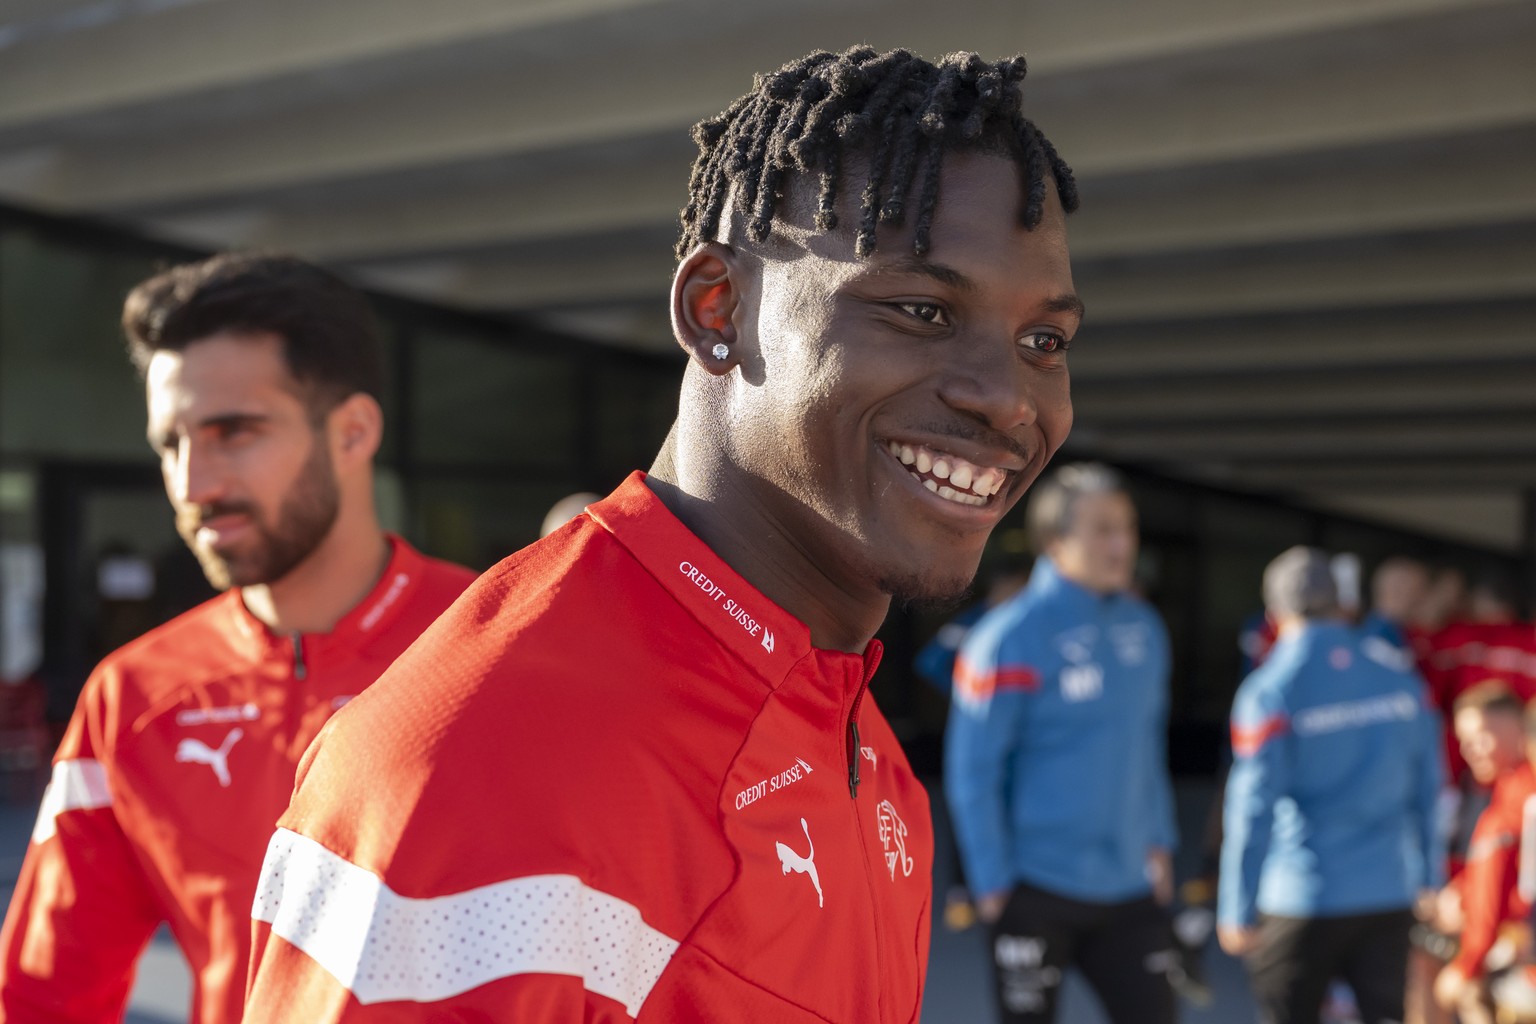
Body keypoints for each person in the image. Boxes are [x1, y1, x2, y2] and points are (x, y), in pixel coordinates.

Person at [244, 46, 1083, 1022]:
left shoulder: (865, 747)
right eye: (922, 309)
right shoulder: (484, 756)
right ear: (716, 310)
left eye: (1045, 342)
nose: (1008, 400)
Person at [0, 254, 478, 1024]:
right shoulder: (133, 695)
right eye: (171, 443)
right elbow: (43, 996)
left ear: (353, 432)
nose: (194, 484)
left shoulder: (503, 651)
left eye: (234, 433)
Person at [945, 462, 1179, 1024]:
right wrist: (992, 881)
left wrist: (1161, 843)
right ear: (1055, 541)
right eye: (1103, 529)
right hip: (1033, 887)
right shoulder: (1006, 638)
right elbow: (971, 771)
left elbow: (1146, 749)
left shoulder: (1144, 629)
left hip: (1129, 886)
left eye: (1127, 528)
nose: (1122, 544)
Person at [1219, 546, 1445, 1024]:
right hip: (1388, 893)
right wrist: (1429, 877)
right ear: (1343, 605)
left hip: (1299, 897)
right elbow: (1429, 788)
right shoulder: (1399, 677)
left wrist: (1236, 906)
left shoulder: (1271, 689)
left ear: (1274, 614)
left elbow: (1251, 807)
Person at [1430, 685, 1536, 1023]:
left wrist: (1467, 965)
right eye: (1464, 740)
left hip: (1524, 968)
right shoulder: (1511, 789)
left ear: (1519, 729)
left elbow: (1498, 886)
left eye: (1482, 737)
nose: (1470, 750)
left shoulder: (1522, 798)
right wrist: (1462, 890)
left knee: (1463, 988)